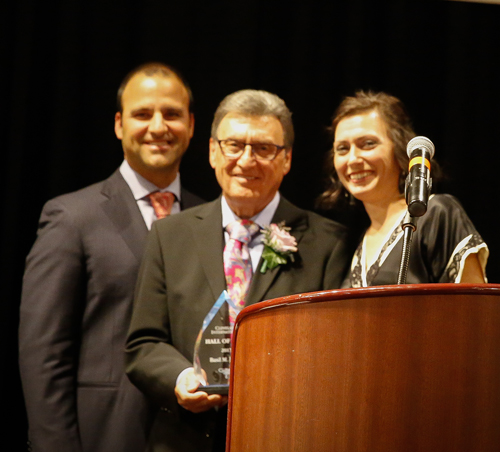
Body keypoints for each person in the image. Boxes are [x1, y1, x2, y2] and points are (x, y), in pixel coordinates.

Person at [125, 89, 350, 452]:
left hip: (283, 436)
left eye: (263, 149)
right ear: (213, 151)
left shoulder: (328, 243)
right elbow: (144, 342)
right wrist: (181, 378)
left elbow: (334, 357)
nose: (246, 160)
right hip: (185, 437)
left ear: (287, 158)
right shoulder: (170, 235)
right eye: (234, 145)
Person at [19, 62, 204, 452]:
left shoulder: (209, 219)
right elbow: (43, 352)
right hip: (103, 436)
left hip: (192, 437)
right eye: (142, 114)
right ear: (120, 125)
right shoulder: (71, 217)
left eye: (171, 114)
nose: (158, 127)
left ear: (190, 124)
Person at [318, 90, 488, 287]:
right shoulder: (355, 246)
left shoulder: (436, 213)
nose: (353, 159)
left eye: (368, 144)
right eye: (343, 149)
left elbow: (475, 308)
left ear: (399, 148)